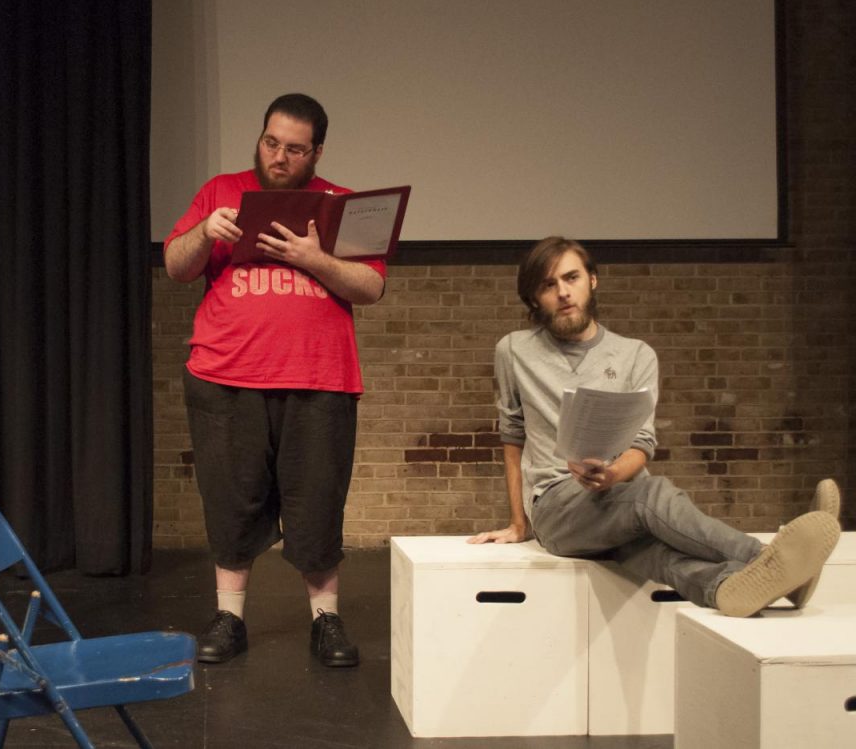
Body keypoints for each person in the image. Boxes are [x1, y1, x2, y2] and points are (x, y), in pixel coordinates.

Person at [469, 236, 841, 617]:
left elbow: (643, 442)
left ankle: (725, 587)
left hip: (621, 493)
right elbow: (512, 435)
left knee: (652, 549)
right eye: (549, 285)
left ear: (592, 280)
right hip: (556, 508)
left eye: (571, 278)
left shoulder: (636, 354)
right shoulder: (514, 350)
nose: (563, 292)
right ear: (534, 297)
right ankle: (768, 557)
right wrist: (519, 523)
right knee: (650, 496)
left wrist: (612, 475)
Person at [163, 94, 386, 667]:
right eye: (270, 143)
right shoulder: (220, 191)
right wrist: (206, 232)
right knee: (231, 500)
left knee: (317, 501)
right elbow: (176, 265)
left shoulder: (341, 205)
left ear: (316, 152)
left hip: (319, 377)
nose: (278, 157)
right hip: (225, 373)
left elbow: (370, 286)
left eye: (293, 149)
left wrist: (314, 258)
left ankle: (326, 619)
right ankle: (230, 618)